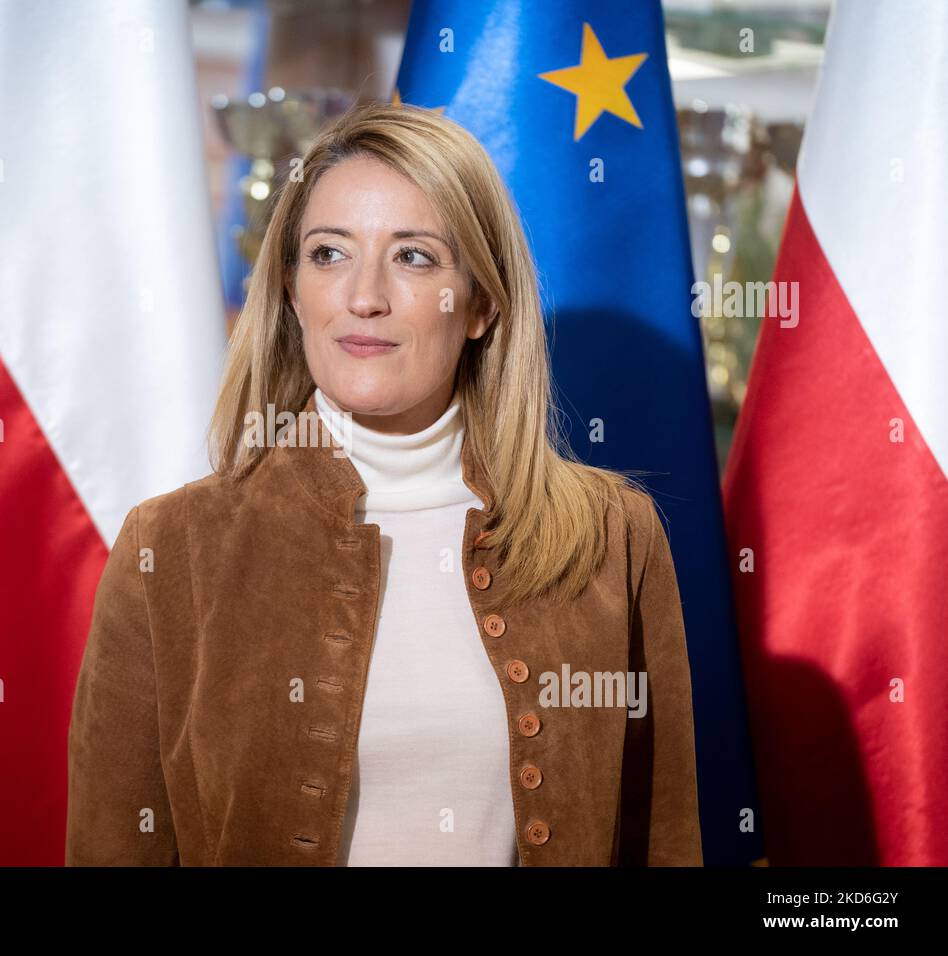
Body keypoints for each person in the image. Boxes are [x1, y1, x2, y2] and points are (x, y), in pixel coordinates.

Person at [66, 101, 702, 866]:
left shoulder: (612, 536)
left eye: (414, 257)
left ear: (480, 305)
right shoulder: (170, 549)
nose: (364, 296)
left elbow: (661, 842)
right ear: (294, 291)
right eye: (330, 254)